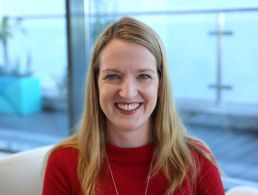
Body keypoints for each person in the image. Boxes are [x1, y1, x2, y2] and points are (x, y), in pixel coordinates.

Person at [42, 17, 225, 195]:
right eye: (113, 76)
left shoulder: (197, 160)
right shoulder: (63, 161)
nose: (128, 92)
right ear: (96, 85)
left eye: (143, 76)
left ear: (160, 85)